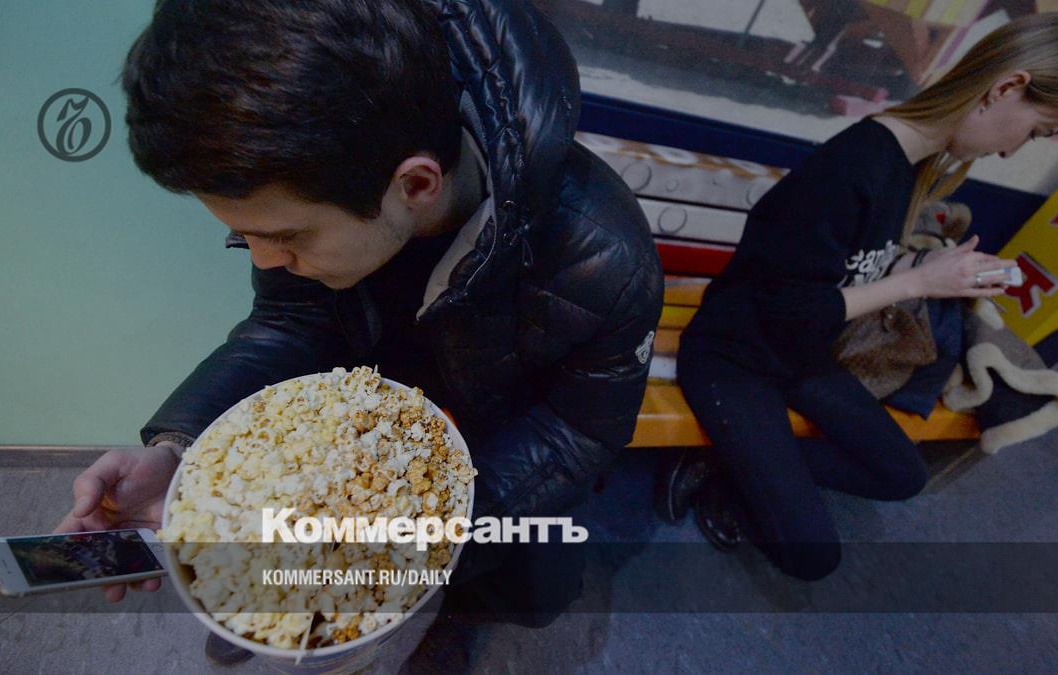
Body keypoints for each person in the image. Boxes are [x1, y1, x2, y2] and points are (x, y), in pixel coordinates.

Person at [54, 0, 662, 662]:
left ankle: (456, 614)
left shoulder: (607, 259)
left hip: (502, 449)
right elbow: (290, 321)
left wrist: (428, 537)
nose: (264, 260)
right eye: (247, 235)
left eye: (286, 237)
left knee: (516, 586)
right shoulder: (322, 167)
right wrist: (185, 455)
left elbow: (580, 429)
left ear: (416, 185)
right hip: (356, 441)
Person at [662, 13, 1058, 580]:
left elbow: (843, 271)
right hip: (736, 356)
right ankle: (738, 467)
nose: (1015, 152)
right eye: (1036, 131)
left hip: (801, 353)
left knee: (902, 474)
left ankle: (734, 469)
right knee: (813, 557)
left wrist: (933, 269)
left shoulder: (912, 164)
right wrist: (920, 282)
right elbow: (786, 308)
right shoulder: (856, 165)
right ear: (1007, 87)